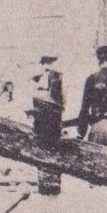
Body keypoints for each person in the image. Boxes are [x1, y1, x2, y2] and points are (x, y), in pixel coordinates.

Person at [31, 55, 65, 194]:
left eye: (49, 62)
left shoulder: (55, 77)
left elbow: (61, 98)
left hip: (47, 115)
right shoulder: (42, 78)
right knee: (49, 146)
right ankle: (49, 183)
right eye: (46, 62)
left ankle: (49, 183)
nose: (47, 65)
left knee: (45, 146)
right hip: (49, 115)